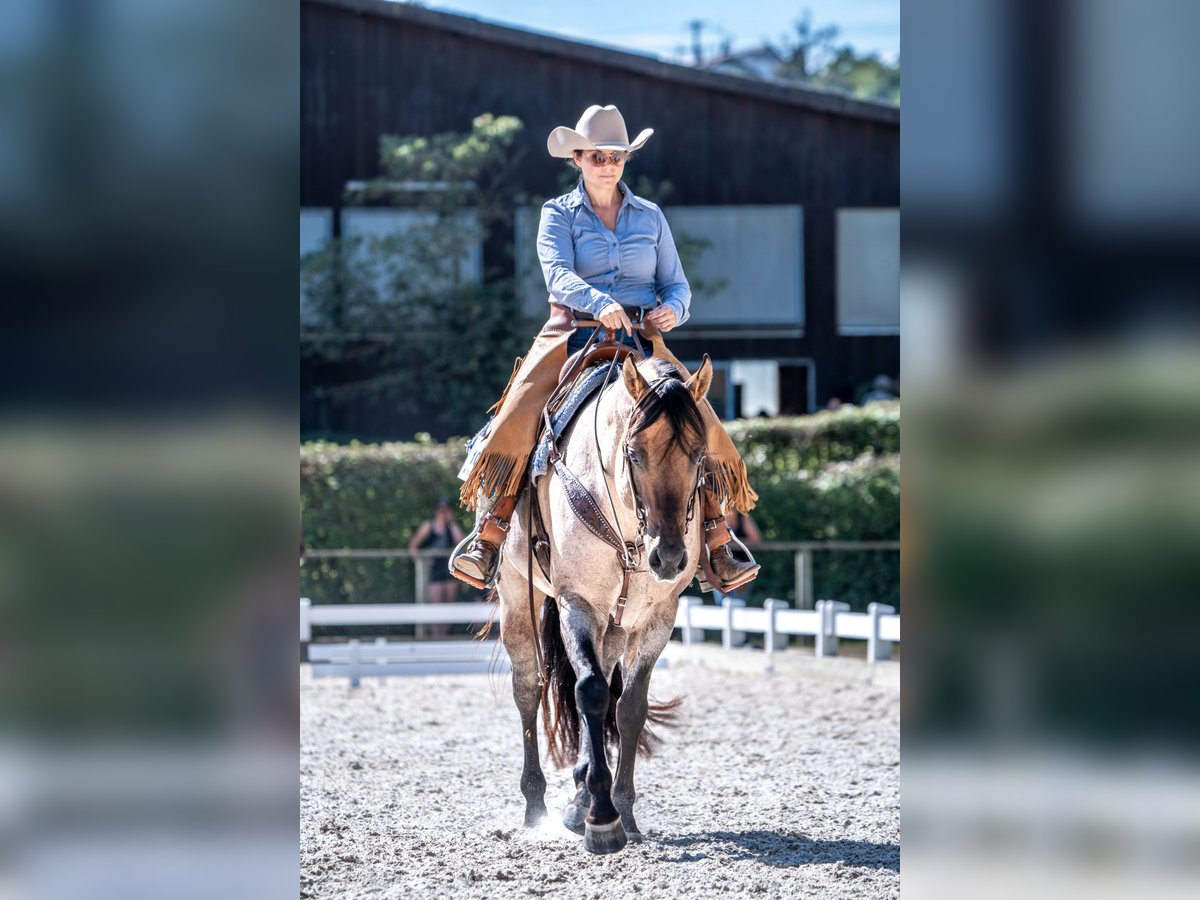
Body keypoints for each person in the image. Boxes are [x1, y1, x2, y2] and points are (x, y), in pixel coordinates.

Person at [448, 104, 760, 593]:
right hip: (574, 332)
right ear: (577, 159)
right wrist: (601, 302)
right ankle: (492, 532)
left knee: (699, 423)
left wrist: (673, 311)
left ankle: (717, 538)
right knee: (518, 414)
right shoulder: (557, 213)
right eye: (597, 155)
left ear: (625, 159)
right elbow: (558, 275)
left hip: (640, 340)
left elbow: (677, 285)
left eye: (616, 155)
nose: (607, 163)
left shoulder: (651, 216)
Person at [409, 498, 466, 637]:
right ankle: (436, 636)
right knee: (435, 605)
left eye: (445, 510)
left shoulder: (451, 527)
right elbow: (413, 546)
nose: (442, 513)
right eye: (440, 510)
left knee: (448, 605)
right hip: (433, 570)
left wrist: (451, 522)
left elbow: (463, 542)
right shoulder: (428, 526)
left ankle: (445, 636)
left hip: (449, 569)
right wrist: (421, 564)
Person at [713, 508, 763, 606]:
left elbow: (757, 540)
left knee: (739, 602)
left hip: (741, 567)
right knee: (721, 603)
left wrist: (733, 543)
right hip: (721, 567)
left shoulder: (743, 519)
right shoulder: (718, 518)